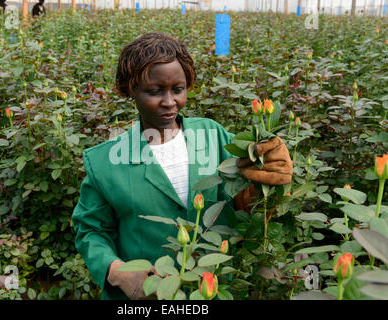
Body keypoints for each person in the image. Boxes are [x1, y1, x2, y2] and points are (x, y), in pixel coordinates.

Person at [72, 32, 293, 300]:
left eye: (178, 89)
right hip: (148, 296)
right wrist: (116, 271)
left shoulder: (214, 135)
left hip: (215, 288)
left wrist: (268, 178)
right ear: (130, 90)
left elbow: (245, 202)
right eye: (154, 91)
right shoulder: (106, 161)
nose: (169, 102)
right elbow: (91, 231)